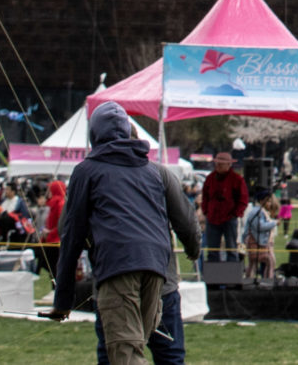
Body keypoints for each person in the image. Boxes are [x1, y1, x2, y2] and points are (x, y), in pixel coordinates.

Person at [48, 104, 201, 365]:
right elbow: (187, 223)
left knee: (122, 355)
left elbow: (70, 236)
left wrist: (63, 300)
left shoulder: (88, 171)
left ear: (94, 136)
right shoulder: (156, 171)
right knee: (166, 356)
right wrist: (193, 249)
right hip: (159, 274)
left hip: (116, 269)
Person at [199, 152, 248, 265]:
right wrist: (206, 211)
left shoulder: (237, 180)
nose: (218, 166)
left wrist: (236, 213)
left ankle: (231, 278)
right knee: (212, 250)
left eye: (221, 164)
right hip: (212, 218)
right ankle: (214, 279)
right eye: (217, 163)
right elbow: (205, 196)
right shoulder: (210, 178)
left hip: (229, 219)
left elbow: (243, 199)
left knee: (231, 248)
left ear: (228, 165)